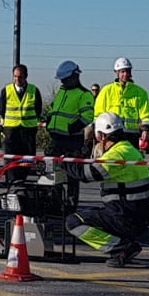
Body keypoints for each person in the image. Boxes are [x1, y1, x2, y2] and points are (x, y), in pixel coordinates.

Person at [66, 112, 149, 266]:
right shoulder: (130, 150)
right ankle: (122, 243)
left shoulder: (115, 154)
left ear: (101, 136)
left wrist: (63, 162)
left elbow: (86, 174)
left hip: (125, 219)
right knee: (94, 211)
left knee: (74, 222)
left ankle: (120, 248)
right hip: (139, 217)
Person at [44, 60, 95, 202]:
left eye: (65, 79)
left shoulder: (84, 94)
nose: (63, 82)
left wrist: (73, 127)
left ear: (74, 76)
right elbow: (56, 109)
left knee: (72, 174)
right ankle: (54, 200)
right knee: (52, 172)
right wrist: (50, 120)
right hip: (56, 139)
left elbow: (88, 116)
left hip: (72, 140)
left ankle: (71, 203)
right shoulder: (62, 91)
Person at [96, 57, 149, 149]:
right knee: (111, 161)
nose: (125, 74)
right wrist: (98, 129)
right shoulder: (106, 91)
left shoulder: (140, 92)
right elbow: (99, 113)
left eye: (127, 71)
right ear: (117, 72)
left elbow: (146, 114)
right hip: (111, 134)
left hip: (132, 135)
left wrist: (145, 129)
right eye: (122, 71)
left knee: (131, 162)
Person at [0, 63, 42, 174]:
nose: (17, 79)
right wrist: (3, 130)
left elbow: (38, 110)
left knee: (26, 162)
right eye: (15, 76)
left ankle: (22, 182)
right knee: (10, 162)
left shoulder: (34, 90)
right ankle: (11, 183)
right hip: (11, 132)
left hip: (28, 132)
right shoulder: (6, 90)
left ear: (26, 76)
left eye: (20, 76)